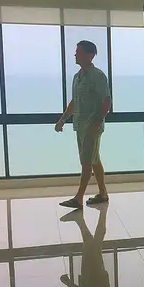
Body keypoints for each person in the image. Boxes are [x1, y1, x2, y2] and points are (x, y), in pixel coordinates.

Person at [55, 40, 111, 210]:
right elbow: (75, 102)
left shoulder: (97, 76)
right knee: (94, 160)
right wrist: (63, 118)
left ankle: (78, 198)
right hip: (80, 126)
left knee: (86, 161)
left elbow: (107, 101)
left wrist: (98, 120)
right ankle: (103, 194)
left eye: (78, 52)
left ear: (90, 55)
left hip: (92, 126)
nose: (75, 55)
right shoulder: (77, 77)